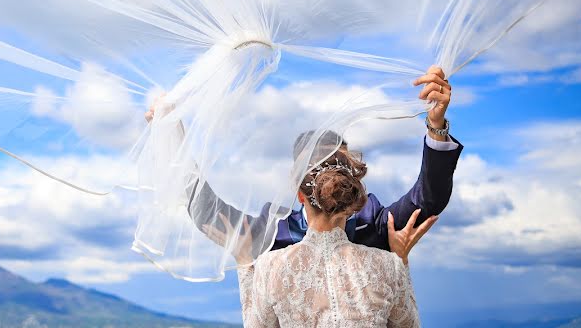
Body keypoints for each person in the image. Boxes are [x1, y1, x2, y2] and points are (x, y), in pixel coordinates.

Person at [144, 66, 462, 257]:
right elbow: (209, 214)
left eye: (341, 167)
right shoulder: (274, 233)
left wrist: (436, 123)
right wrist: (173, 139)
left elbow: (428, 198)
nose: (333, 177)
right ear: (300, 188)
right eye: (322, 166)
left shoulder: (375, 223)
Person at [233, 147, 435, 327]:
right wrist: (401, 261)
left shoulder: (270, 267)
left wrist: (244, 264)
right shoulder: (387, 265)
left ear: (301, 196)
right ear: (350, 200)